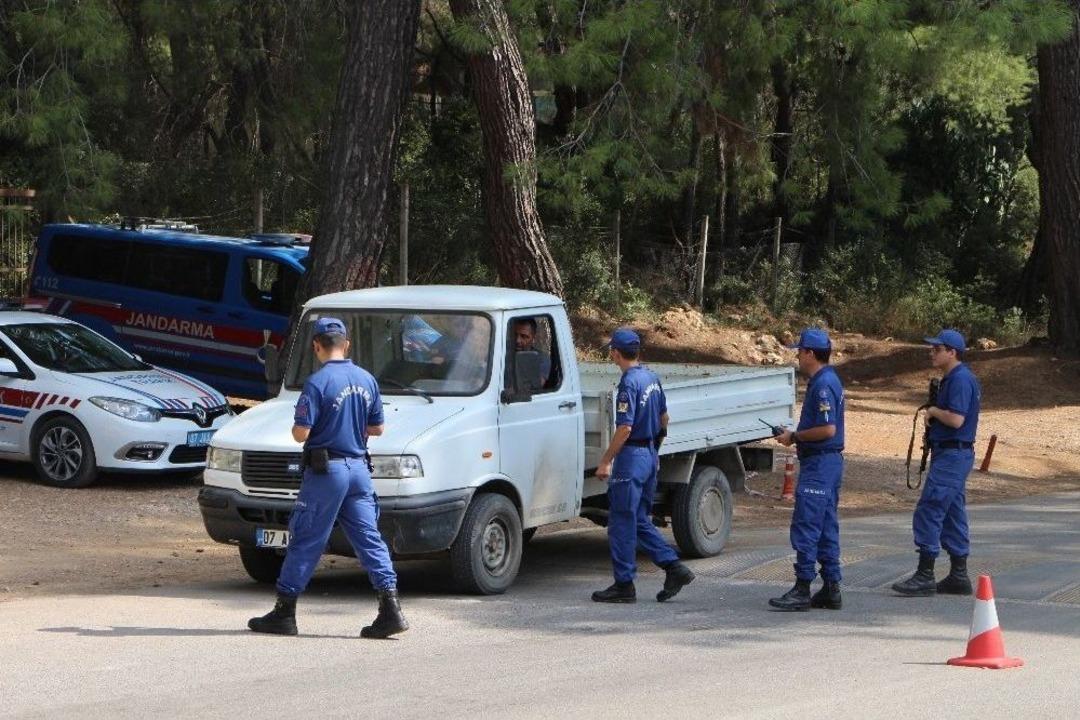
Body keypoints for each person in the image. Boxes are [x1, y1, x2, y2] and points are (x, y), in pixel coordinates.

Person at [247, 317, 408, 638]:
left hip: (327, 472)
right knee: (368, 537)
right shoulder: (366, 380)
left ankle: (284, 612)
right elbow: (377, 428)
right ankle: (390, 608)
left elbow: (300, 433)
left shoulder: (317, 383)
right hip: (359, 470)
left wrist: (310, 425)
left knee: (306, 537)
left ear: (316, 346)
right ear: (346, 344)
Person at [591, 327, 695, 604]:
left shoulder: (628, 384)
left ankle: (624, 584)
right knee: (637, 519)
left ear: (615, 353)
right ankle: (674, 568)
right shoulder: (651, 377)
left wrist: (605, 460)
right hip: (648, 455)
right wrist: (655, 451)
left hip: (632, 456)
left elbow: (624, 428)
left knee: (622, 522)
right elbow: (665, 419)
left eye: (611, 350)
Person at [892, 329, 980, 597]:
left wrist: (933, 411)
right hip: (951, 453)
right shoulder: (953, 378)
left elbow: (956, 420)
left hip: (953, 454)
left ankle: (925, 574)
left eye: (937, 349)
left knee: (930, 508)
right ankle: (958, 574)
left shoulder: (960, 380)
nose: (932, 353)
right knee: (952, 511)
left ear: (952, 352)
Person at [769, 328, 846, 611]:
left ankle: (802, 587)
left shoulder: (823, 384)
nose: (798, 356)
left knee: (807, 522)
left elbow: (827, 428)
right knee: (826, 525)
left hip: (820, 463)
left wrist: (795, 437)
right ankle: (831, 587)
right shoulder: (826, 380)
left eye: (799, 351)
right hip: (827, 462)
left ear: (810, 354)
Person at [512, 317, 552, 387]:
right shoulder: (502, 354)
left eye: (524, 336)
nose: (517, 340)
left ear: (533, 338)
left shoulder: (542, 359)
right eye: (515, 335)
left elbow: (534, 387)